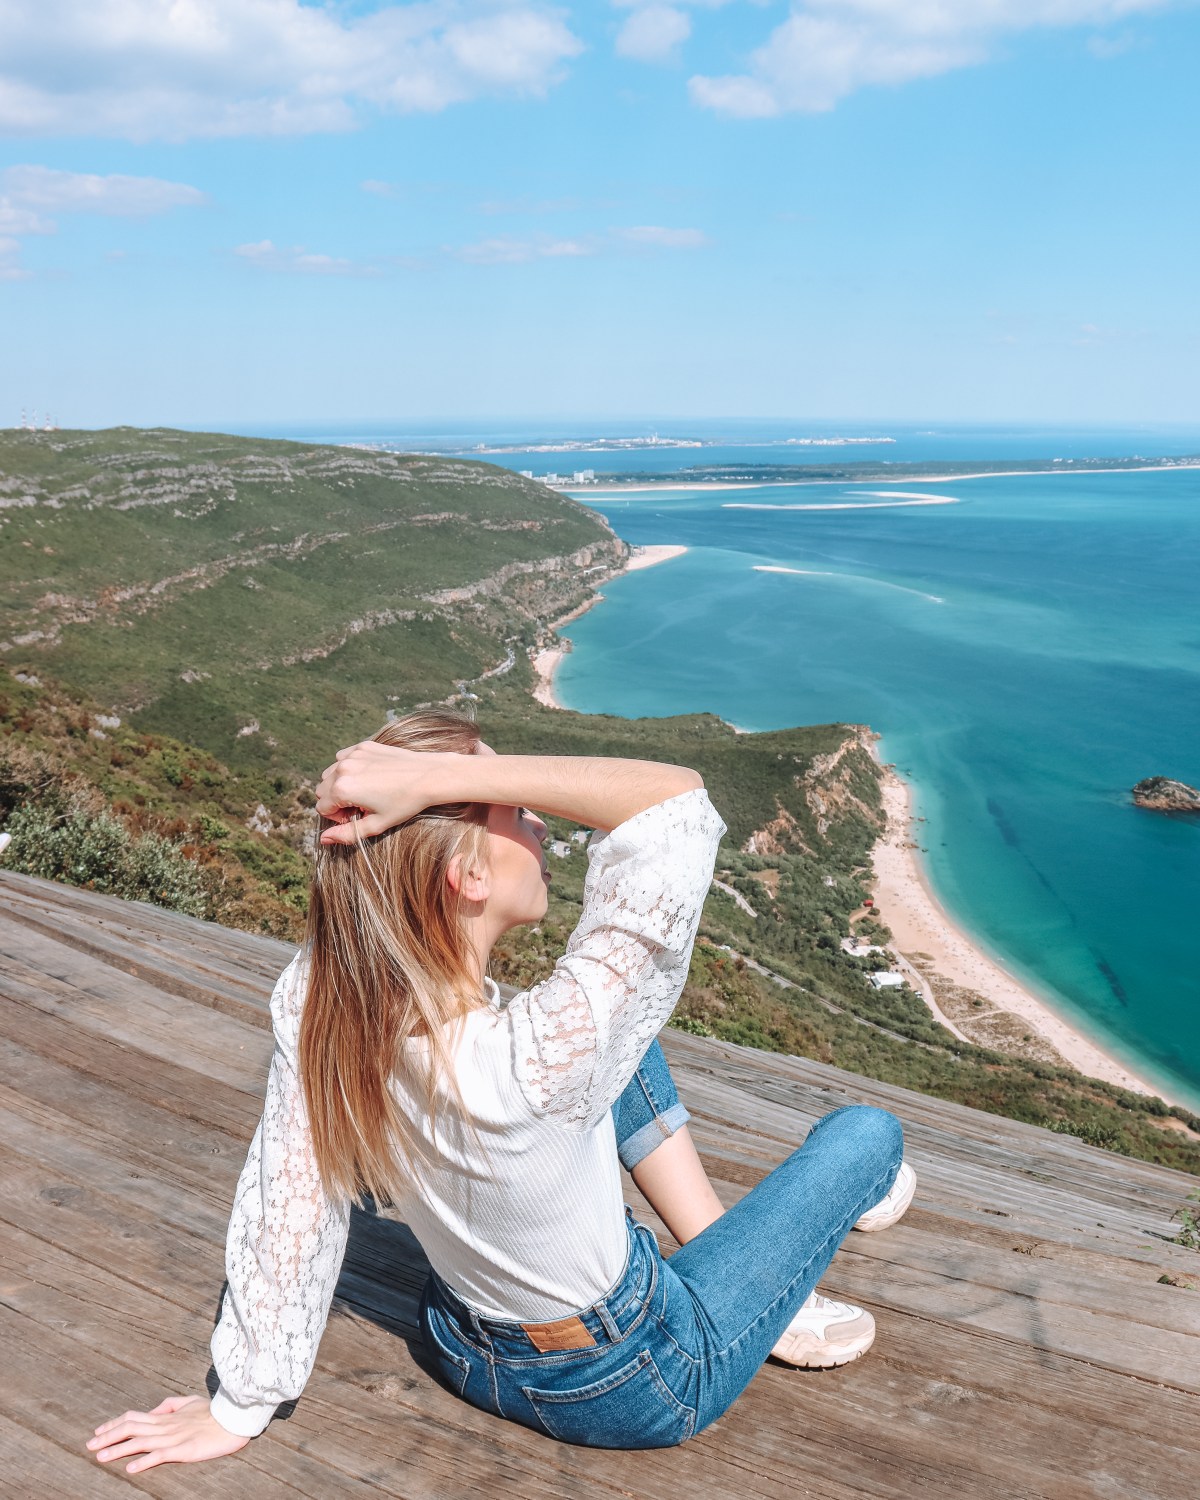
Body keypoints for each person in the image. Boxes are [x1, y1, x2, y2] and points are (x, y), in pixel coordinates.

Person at [87, 709, 914, 1473]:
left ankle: (715, 1240)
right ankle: (768, 1275)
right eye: (510, 810)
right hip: (639, 1376)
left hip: (458, 1341)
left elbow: (289, 1207)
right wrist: (447, 782)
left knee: (623, 1035)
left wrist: (240, 1406)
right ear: (467, 877)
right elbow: (675, 806)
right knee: (866, 1136)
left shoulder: (326, 1002)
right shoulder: (534, 1055)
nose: (538, 819)